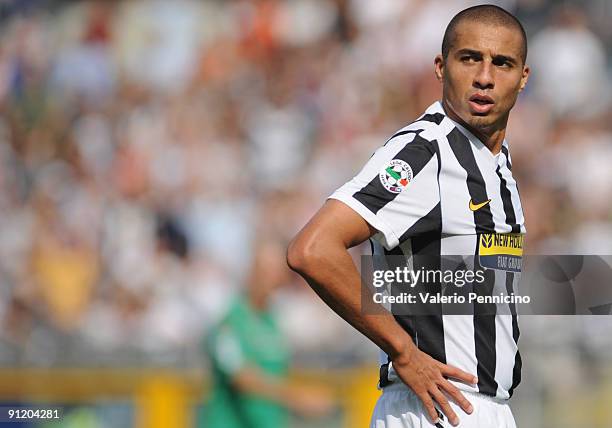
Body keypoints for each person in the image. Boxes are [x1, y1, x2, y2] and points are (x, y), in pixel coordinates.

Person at [287, 4, 529, 428]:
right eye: (469, 58)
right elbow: (312, 249)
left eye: (502, 63)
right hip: (434, 407)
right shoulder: (425, 152)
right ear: (441, 66)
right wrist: (404, 351)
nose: (485, 77)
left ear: (523, 77)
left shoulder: (497, 165)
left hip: (484, 409)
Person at [202, 240, 333, 428]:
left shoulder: (273, 321)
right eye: (266, 273)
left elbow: (278, 372)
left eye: (276, 274)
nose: (272, 281)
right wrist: (297, 397)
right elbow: (240, 377)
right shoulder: (229, 324)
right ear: (251, 273)